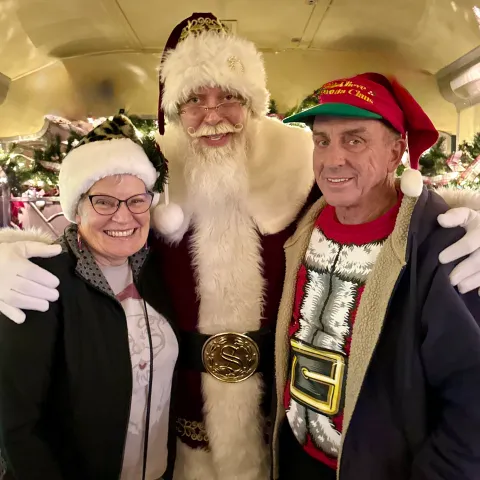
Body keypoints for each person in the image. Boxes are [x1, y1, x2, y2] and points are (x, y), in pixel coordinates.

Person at [1, 13, 480, 480]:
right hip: (177, 431)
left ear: (252, 102)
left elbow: (388, 205)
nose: (213, 114)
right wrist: (11, 252)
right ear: (174, 110)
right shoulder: (151, 177)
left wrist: (467, 222)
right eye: (194, 100)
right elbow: (95, 237)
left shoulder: (305, 167)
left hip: (283, 431)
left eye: (229, 96)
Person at [271, 73, 480, 480]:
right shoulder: (300, 227)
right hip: (296, 459)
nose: (332, 159)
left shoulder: (445, 249)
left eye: (355, 139)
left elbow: (473, 401)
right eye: (322, 141)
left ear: (395, 151)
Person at [0, 115, 179, 480]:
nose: (123, 215)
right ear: (76, 209)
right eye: (104, 201)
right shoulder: (40, 281)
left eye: (136, 200)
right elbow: (15, 427)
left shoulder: (157, 273)